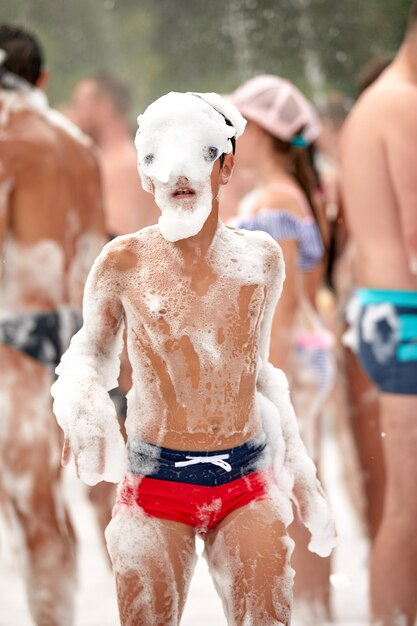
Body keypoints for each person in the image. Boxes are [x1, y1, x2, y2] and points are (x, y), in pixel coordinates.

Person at [51, 90, 336, 626]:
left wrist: (299, 468)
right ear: (144, 174)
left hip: (247, 479)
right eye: (160, 160)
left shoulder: (260, 260)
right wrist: (82, 403)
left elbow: (259, 374)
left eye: (202, 156)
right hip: (154, 482)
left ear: (226, 167)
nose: (180, 175)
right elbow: (88, 353)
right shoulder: (123, 261)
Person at [0, 24, 106, 625]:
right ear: (42, 78)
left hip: (17, 336)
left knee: (34, 507)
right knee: (110, 503)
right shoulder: (77, 141)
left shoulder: (6, 137)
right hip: (87, 335)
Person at [229, 75, 335, 623]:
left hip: (291, 356)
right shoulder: (279, 195)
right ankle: (317, 609)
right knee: (299, 490)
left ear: (264, 134)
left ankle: (315, 611)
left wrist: (271, 378)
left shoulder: (275, 200)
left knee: (294, 494)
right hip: (299, 355)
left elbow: (288, 302)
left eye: (239, 127)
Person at [340, 3, 417, 624]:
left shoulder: (380, 103)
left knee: (406, 508)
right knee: (410, 511)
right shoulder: (402, 104)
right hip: (404, 315)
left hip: (384, 312)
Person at [71, 72, 159, 237]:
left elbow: (117, 239)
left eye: (79, 106)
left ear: (104, 107)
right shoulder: (110, 160)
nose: (75, 116)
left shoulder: (121, 164)